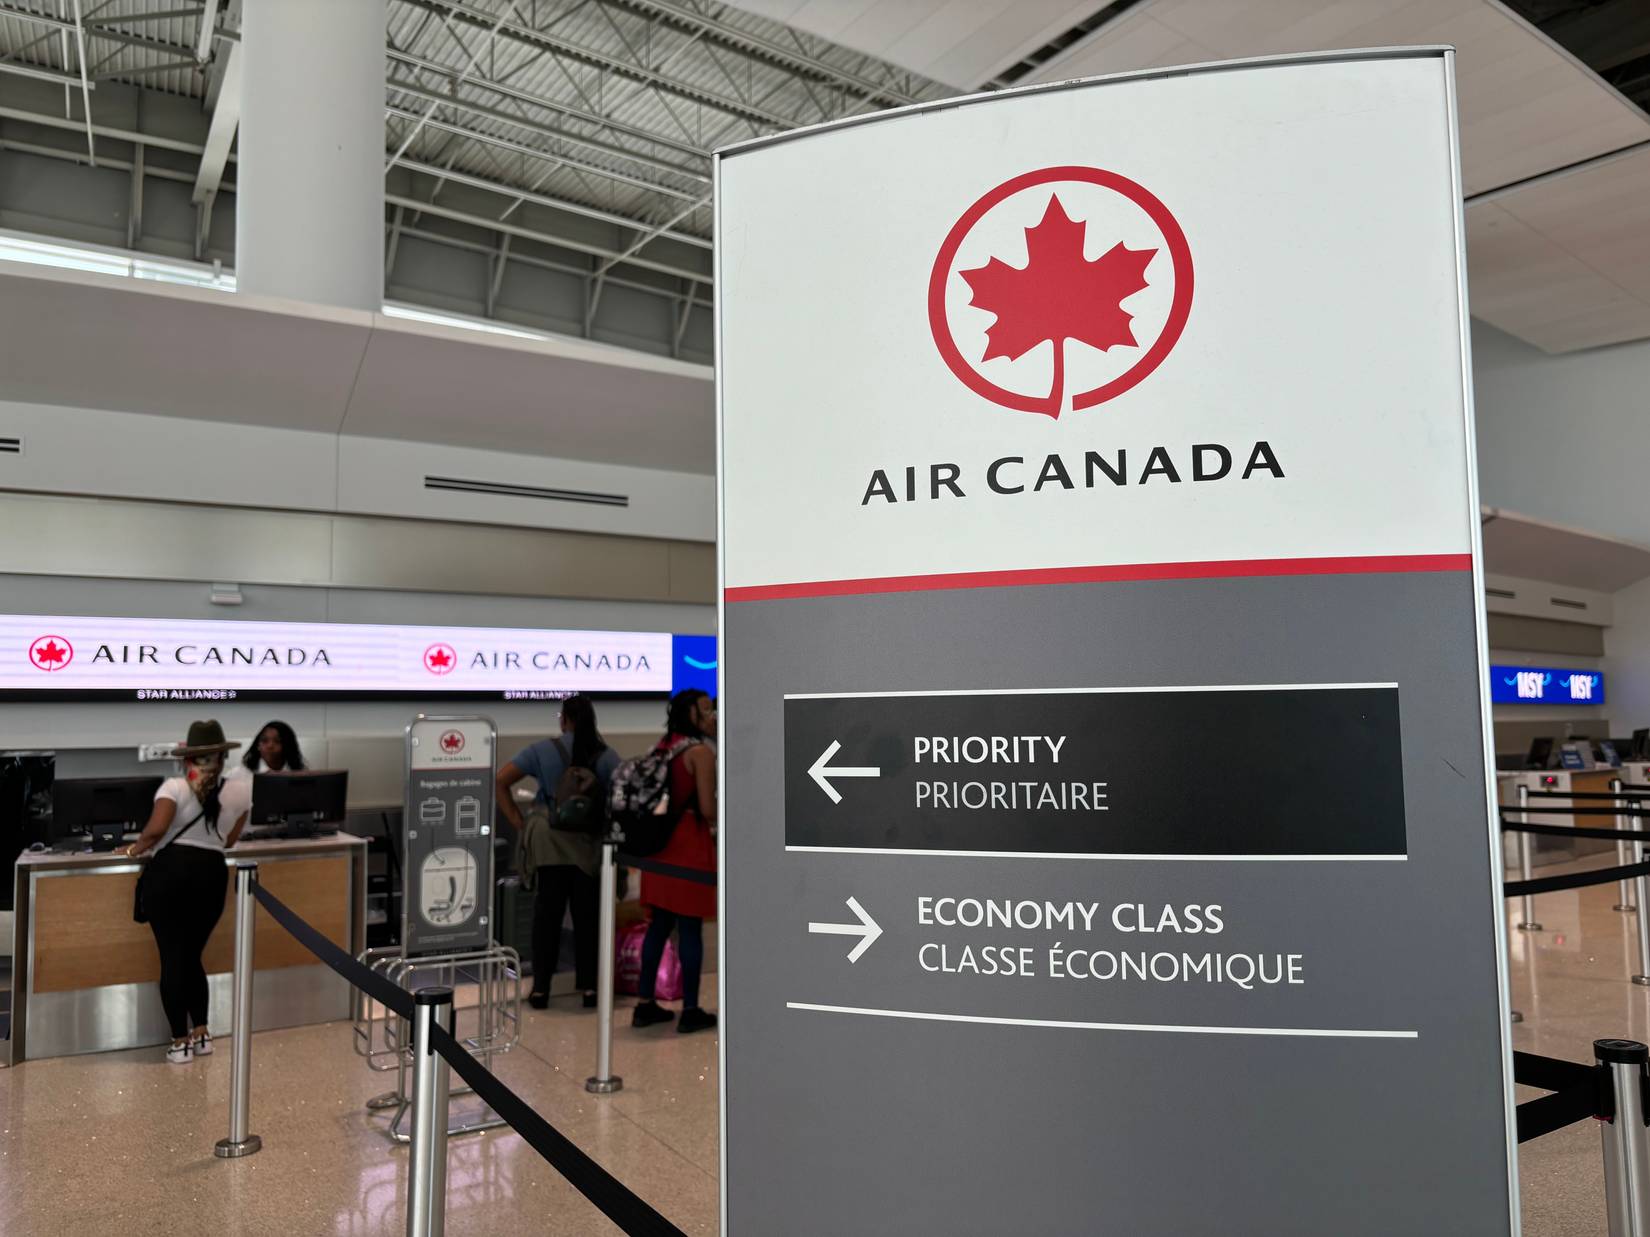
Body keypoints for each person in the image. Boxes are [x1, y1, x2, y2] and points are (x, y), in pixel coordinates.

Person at [120, 720, 252, 1064]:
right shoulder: (240, 792)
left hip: (172, 875)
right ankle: (202, 1034)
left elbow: (156, 830)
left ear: (188, 759)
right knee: (191, 956)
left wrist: (133, 850)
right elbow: (230, 840)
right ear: (222, 757)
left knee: (173, 958)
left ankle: (179, 1041)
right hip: (212, 875)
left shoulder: (175, 787)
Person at [495, 695, 620, 1010]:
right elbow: (618, 797)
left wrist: (519, 822)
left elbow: (500, 781)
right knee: (587, 918)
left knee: (546, 917)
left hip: (549, 843)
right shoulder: (605, 756)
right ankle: (590, 988)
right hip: (587, 846)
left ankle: (541, 989)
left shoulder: (541, 750)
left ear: (564, 719)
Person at [633, 689, 718, 1035]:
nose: (712, 717)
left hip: (657, 848)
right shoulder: (699, 752)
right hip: (688, 847)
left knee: (658, 927)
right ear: (692, 715)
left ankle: (644, 1004)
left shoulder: (662, 746)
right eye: (706, 710)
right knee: (690, 929)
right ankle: (691, 1010)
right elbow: (708, 809)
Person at [237, 720, 306, 777]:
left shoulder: (302, 774)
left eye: (277, 741)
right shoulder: (241, 773)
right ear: (257, 746)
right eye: (264, 740)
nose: (270, 746)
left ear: (288, 746)